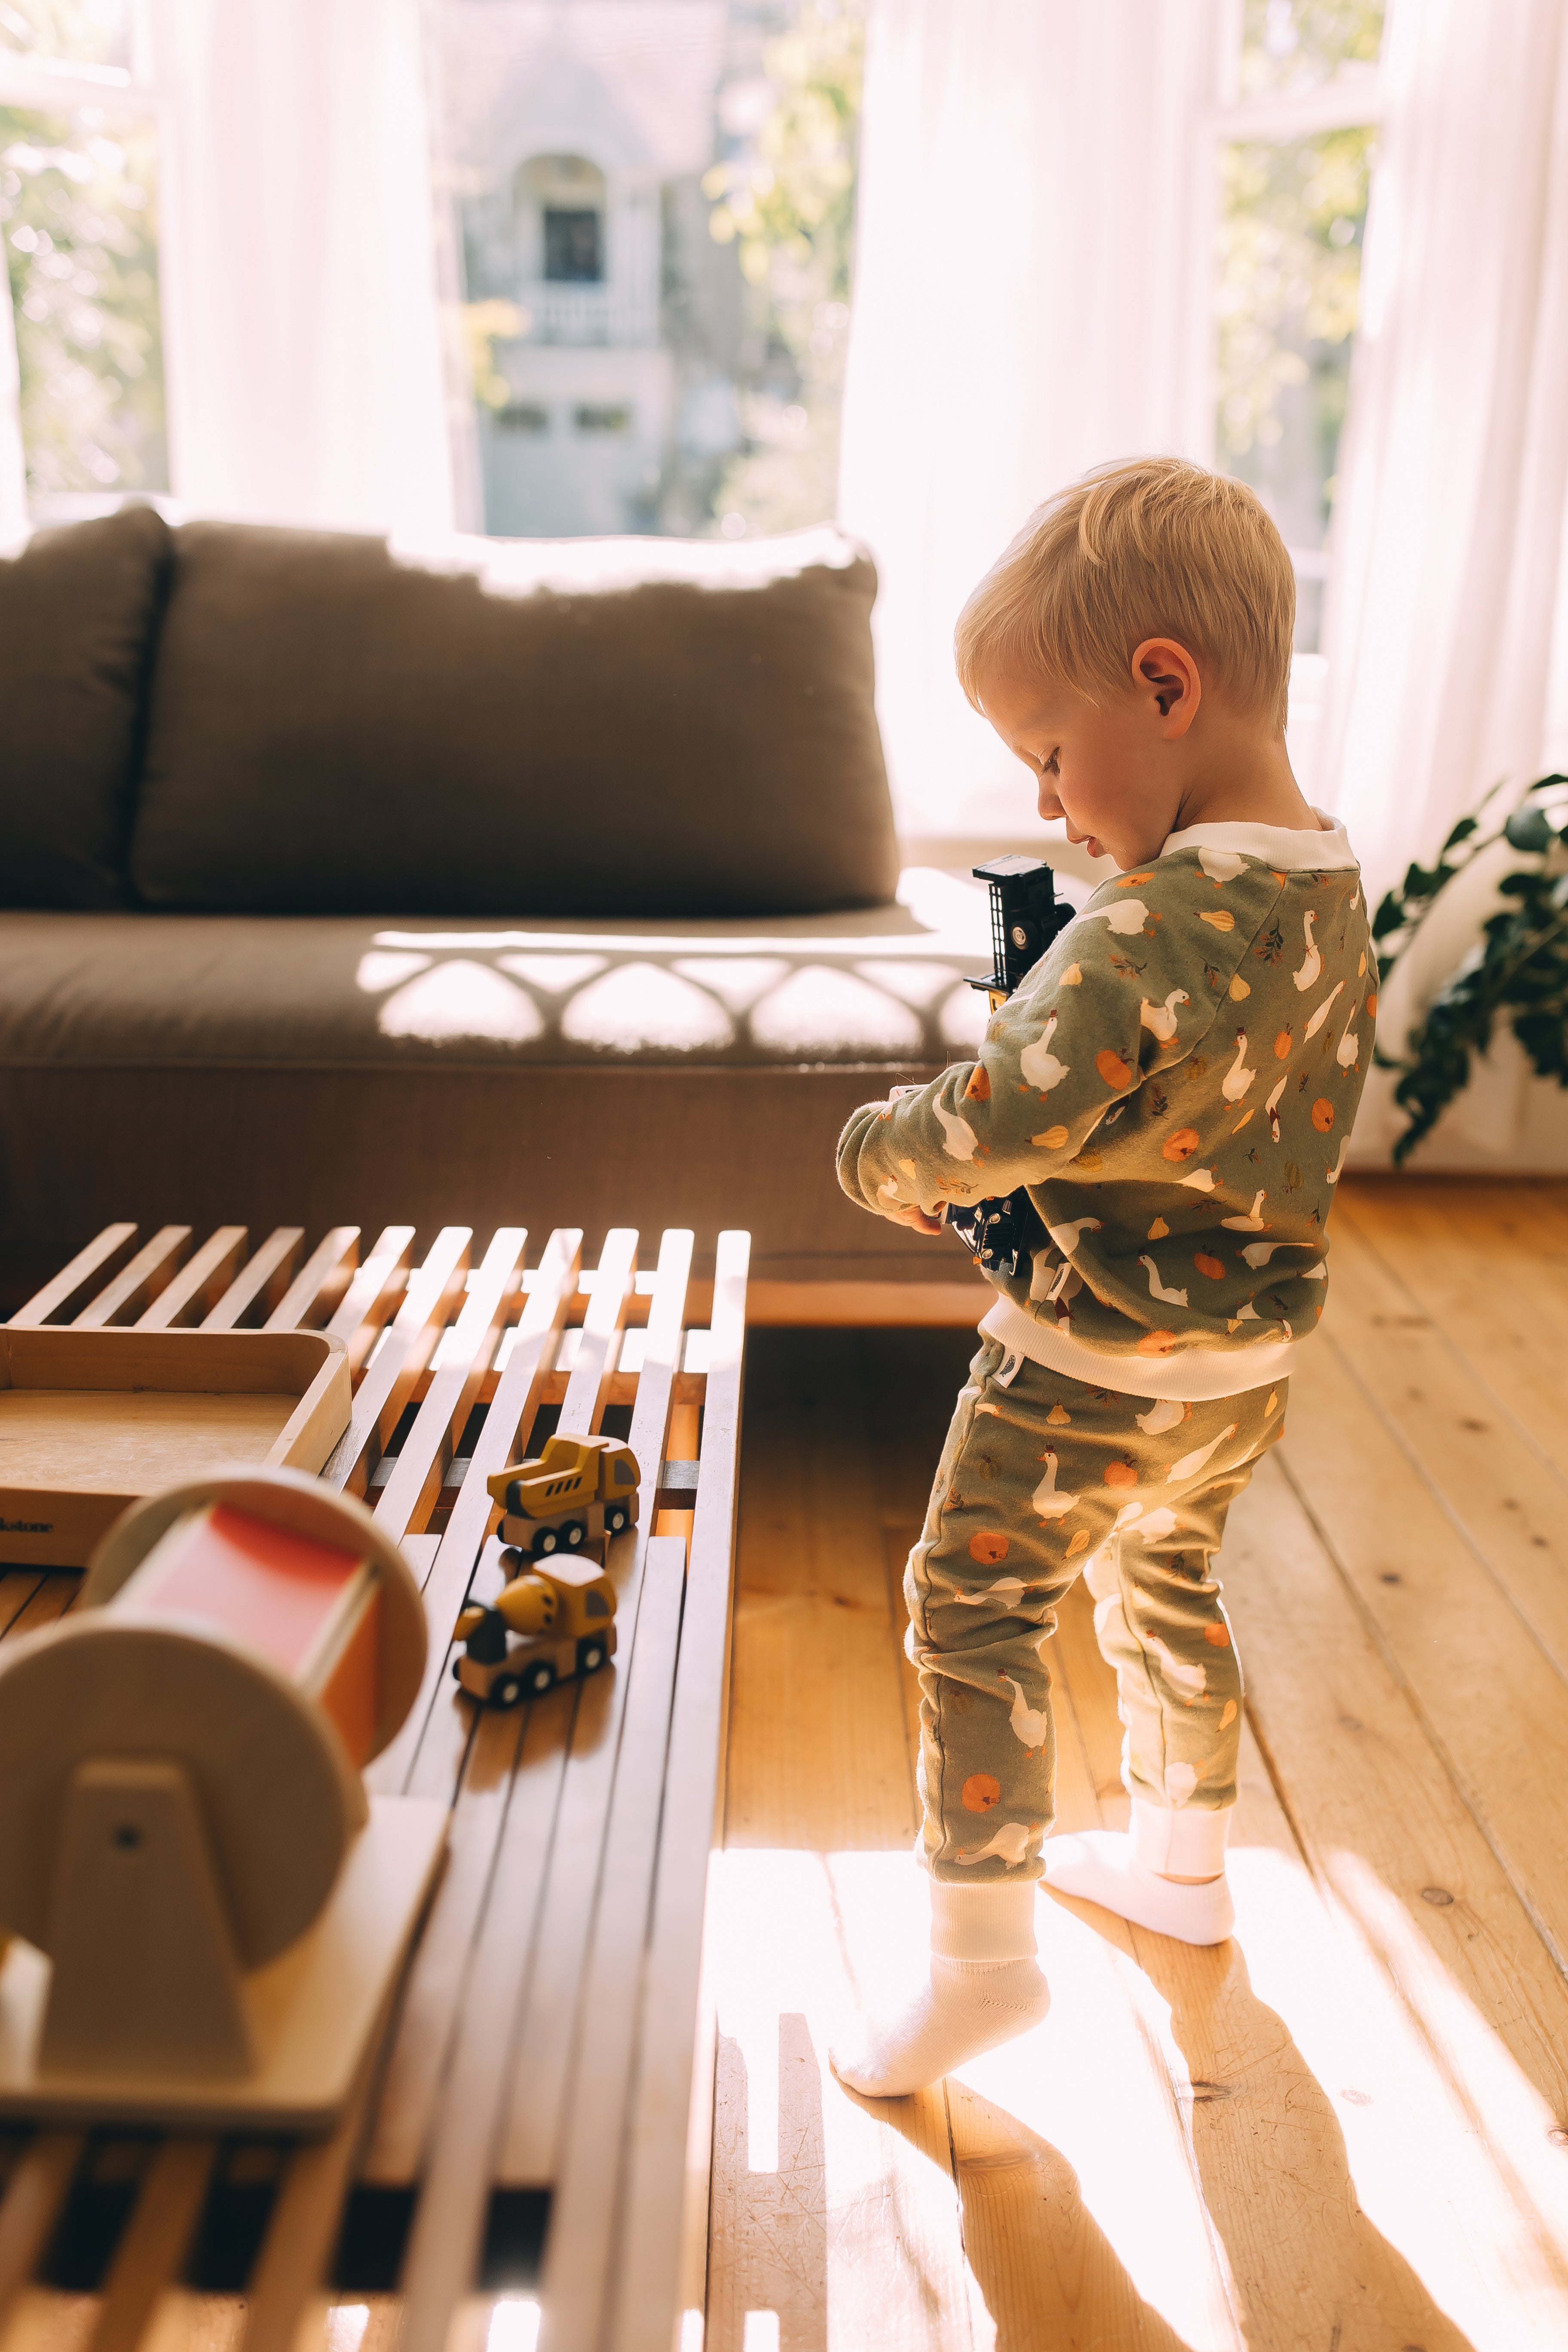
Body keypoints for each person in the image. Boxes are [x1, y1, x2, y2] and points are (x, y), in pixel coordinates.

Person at [830, 456, 1374, 2098]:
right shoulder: (1335, 879)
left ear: (1163, 684)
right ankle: (1188, 1871)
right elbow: (1211, 1110)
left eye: (1053, 760)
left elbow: (990, 1117)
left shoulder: (1138, 932)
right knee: (1167, 1588)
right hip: (1243, 1373)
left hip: (1087, 1368)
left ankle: (979, 1968)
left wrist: (880, 1152)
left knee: (973, 1608)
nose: (1056, 811)